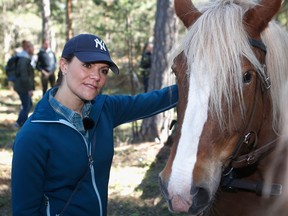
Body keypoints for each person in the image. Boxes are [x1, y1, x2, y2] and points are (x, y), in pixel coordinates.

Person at [11, 34, 178, 216]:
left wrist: (199, 81)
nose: (96, 76)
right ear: (64, 65)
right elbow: (25, 211)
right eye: (87, 65)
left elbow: (154, 101)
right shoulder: (33, 135)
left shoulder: (104, 108)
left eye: (103, 70)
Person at [13, 40, 35, 128]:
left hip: (22, 86)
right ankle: (20, 123)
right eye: (31, 46)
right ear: (26, 48)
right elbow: (24, 76)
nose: (33, 48)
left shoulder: (25, 58)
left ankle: (21, 123)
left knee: (27, 104)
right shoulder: (23, 59)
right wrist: (29, 89)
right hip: (22, 86)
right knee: (27, 105)